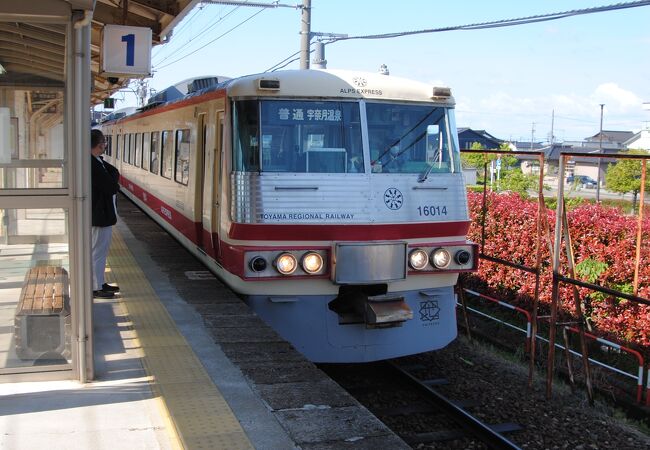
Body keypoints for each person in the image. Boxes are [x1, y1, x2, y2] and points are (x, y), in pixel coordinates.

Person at [91, 129, 120, 298]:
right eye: (103, 142)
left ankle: (100, 282)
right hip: (98, 216)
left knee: (100, 252)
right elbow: (110, 186)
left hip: (101, 215)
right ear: (98, 144)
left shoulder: (96, 161)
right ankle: (96, 287)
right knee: (97, 251)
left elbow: (113, 173)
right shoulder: (92, 163)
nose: (105, 145)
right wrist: (113, 184)